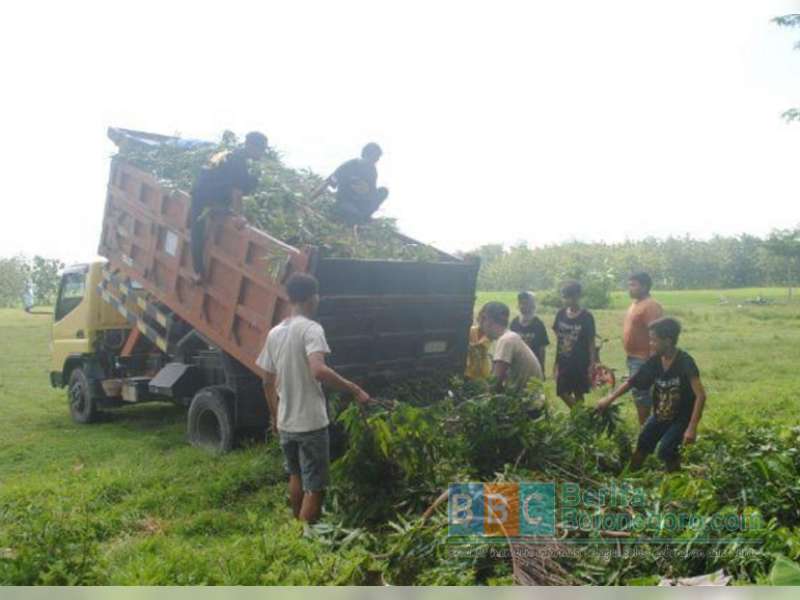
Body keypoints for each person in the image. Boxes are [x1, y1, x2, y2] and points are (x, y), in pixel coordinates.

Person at [257, 272, 371, 523]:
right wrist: (355, 389)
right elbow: (318, 370)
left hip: (286, 422)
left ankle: (296, 530)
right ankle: (304, 542)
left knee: (296, 475)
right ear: (313, 298)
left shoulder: (275, 333)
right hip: (310, 423)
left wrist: (275, 417)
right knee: (316, 486)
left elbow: (266, 379)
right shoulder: (311, 329)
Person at [595, 317, 706, 473]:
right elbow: (632, 382)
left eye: (654, 341)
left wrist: (692, 427)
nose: (650, 344)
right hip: (660, 414)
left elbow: (700, 395)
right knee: (643, 443)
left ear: (667, 341)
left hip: (681, 418)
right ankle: (630, 477)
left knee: (665, 450)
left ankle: (675, 479)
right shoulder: (655, 361)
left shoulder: (685, 362)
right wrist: (609, 399)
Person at [189, 131, 268, 282]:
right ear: (250, 146)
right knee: (197, 233)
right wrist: (239, 216)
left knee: (251, 181)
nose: (262, 153)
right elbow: (236, 192)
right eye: (261, 149)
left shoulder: (231, 154)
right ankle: (198, 272)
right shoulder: (237, 161)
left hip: (207, 194)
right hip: (204, 198)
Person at [623, 272, 664, 426]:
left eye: (633, 285)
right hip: (633, 357)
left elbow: (656, 335)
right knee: (639, 393)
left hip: (644, 358)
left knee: (642, 394)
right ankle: (646, 428)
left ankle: (645, 430)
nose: (630, 288)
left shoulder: (650, 306)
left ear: (645, 286)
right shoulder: (635, 303)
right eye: (629, 285)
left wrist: (653, 361)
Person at [312, 143, 389, 224]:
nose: (376, 160)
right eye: (375, 157)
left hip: (361, 203)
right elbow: (328, 182)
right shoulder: (349, 166)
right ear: (366, 154)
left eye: (377, 158)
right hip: (346, 201)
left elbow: (371, 192)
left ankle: (364, 216)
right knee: (352, 214)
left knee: (383, 191)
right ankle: (359, 217)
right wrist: (311, 199)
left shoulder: (372, 171)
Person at [479, 301, 543, 392]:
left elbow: (495, 382)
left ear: (486, 319)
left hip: (525, 400)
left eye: (480, 321)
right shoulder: (510, 336)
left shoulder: (506, 340)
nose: (480, 328)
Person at [552, 281, 596, 408]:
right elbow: (557, 334)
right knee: (561, 391)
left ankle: (580, 420)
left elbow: (591, 341)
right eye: (565, 297)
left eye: (570, 297)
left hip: (580, 361)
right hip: (564, 359)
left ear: (578, 296)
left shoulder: (586, 316)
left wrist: (592, 363)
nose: (567, 300)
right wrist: (556, 362)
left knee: (578, 392)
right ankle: (582, 414)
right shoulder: (560, 314)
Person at [510, 291, 550, 377]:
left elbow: (542, 349)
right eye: (520, 303)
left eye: (525, 303)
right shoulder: (514, 323)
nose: (522, 306)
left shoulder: (538, 324)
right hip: (517, 367)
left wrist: (542, 369)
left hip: (533, 366)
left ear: (532, 305)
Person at [465, 305, 492, 380]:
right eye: (481, 317)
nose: (482, 320)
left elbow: (479, 347)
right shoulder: (471, 330)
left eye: (485, 318)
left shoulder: (490, 334)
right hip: (469, 371)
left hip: (483, 372)